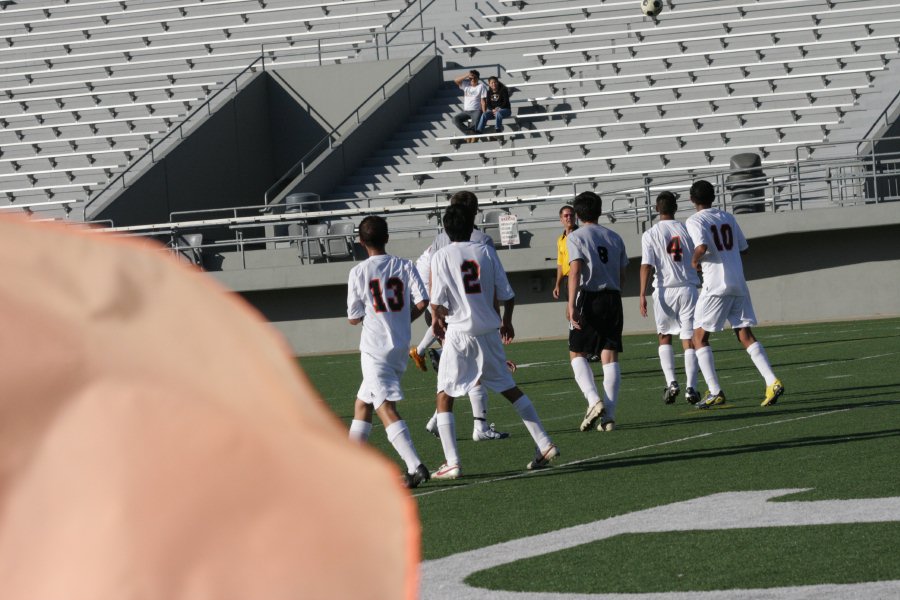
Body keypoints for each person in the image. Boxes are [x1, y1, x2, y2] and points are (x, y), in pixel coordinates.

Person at [428, 205, 559, 479]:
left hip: (460, 333)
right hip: (488, 331)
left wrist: (437, 320)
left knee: (444, 394)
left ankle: (452, 461)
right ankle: (544, 443)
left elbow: (438, 303)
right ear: (471, 227)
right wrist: (507, 321)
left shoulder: (440, 256)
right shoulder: (486, 251)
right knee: (510, 389)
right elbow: (507, 294)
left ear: (446, 230)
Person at [409, 191, 510, 442]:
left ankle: (438, 421)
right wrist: (497, 319)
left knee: (456, 374)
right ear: (474, 211)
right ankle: (480, 428)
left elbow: (433, 277)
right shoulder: (482, 240)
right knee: (471, 373)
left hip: (442, 311)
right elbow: (490, 285)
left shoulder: (439, 239)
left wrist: (435, 311)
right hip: (469, 314)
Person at [346, 215, 431, 488]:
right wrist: (401, 320)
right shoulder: (405, 265)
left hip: (374, 349)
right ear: (387, 237)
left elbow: (354, 317)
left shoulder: (359, 272)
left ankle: (415, 466)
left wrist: (372, 315)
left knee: (384, 407)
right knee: (363, 404)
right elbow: (422, 301)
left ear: (360, 242)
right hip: (398, 348)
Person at [685, 179, 785, 409]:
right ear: (713, 197)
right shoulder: (727, 217)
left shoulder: (694, 220)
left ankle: (715, 391)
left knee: (698, 338)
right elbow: (744, 248)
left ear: (692, 200)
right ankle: (771, 381)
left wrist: (694, 261)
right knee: (744, 334)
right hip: (738, 282)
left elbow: (700, 247)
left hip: (716, 284)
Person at [566, 191, 628, 432]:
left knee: (577, 352)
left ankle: (593, 401)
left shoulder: (576, 236)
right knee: (609, 355)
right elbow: (623, 273)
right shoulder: (614, 236)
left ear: (578, 214)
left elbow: (575, 271)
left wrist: (571, 304)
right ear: (599, 211)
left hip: (589, 297)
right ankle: (609, 417)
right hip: (613, 298)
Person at [639, 191, 702, 405]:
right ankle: (691, 387)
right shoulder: (687, 229)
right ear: (675, 208)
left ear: (657, 209)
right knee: (689, 339)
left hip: (664, 290)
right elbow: (699, 254)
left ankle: (672, 382)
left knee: (664, 336)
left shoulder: (650, 233)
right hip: (688, 288)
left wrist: (642, 294)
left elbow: (646, 265)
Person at [452, 69, 488, 142]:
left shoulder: (481, 86)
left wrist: (484, 113)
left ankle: (470, 138)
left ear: (478, 78)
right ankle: (469, 133)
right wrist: (467, 75)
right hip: (466, 111)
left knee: (474, 126)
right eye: (471, 78)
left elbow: (483, 101)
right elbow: (456, 80)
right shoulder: (466, 85)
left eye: (474, 77)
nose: (472, 79)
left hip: (477, 110)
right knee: (455, 119)